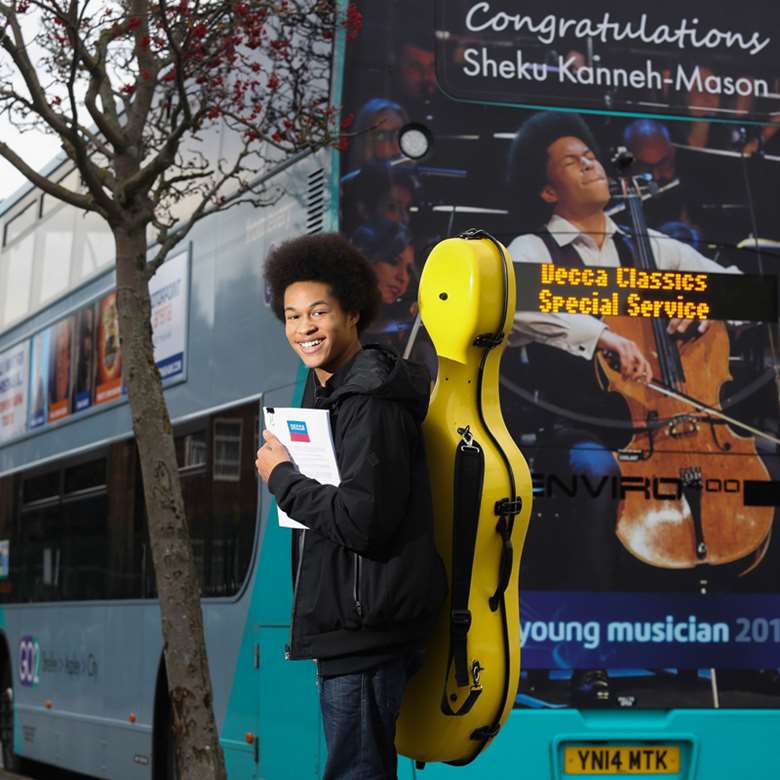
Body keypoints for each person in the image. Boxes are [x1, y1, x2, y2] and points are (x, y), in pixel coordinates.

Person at [505, 111, 741, 706]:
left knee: (759, 471)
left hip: (675, 422)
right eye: (571, 160)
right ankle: (591, 658)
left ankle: (741, 651)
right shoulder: (535, 247)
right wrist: (600, 334)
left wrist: (706, 307)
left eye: (591, 155)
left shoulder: (649, 244)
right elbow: (514, 303)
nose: (590, 163)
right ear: (547, 188)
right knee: (596, 475)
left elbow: (733, 283)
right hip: (581, 428)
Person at [256, 233, 447, 779]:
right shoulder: (330, 394)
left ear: (353, 313)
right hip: (356, 625)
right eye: (292, 316)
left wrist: (283, 478)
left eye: (319, 312)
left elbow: (364, 522)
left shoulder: (367, 401)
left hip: (368, 631)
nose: (304, 328)